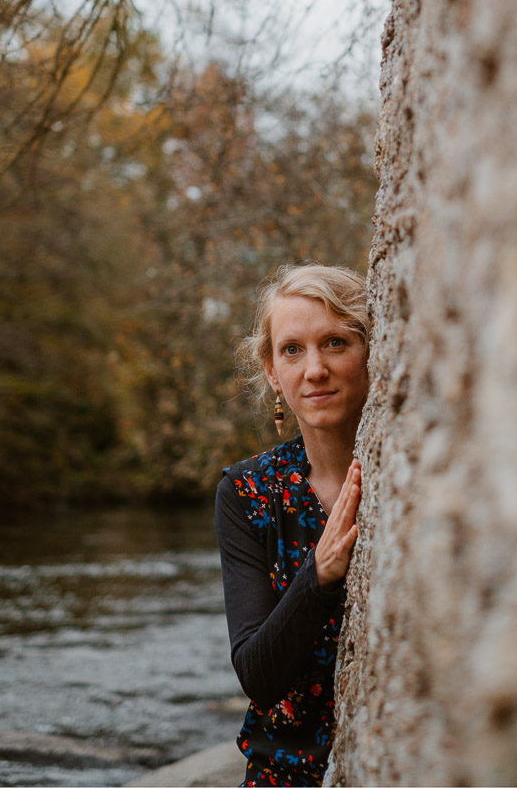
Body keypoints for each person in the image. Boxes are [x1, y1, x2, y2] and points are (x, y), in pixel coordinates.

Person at [217, 264, 368, 788]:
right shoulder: (246, 493)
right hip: (282, 776)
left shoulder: (405, 470)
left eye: (335, 342)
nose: (316, 369)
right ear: (271, 371)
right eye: (292, 350)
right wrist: (320, 575)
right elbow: (257, 676)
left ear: (373, 351)